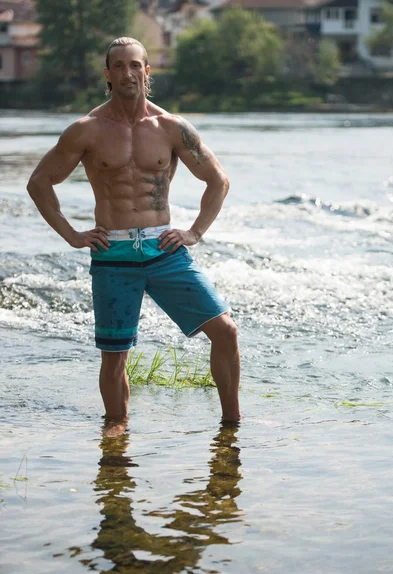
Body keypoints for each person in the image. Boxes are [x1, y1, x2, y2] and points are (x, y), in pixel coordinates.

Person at [27, 37, 240, 424]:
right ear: (107, 74)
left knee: (224, 330)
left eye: (135, 64)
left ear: (147, 70)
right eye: (119, 65)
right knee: (115, 357)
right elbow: (39, 183)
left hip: (165, 251)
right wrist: (72, 235)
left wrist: (193, 232)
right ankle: (117, 438)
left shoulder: (172, 127)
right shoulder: (86, 130)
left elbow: (218, 180)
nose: (128, 72)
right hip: (114, 255)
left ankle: (232, 427)